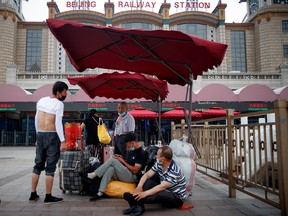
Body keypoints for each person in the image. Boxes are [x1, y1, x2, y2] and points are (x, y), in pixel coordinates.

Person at [29, 81, 68, 204]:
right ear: (58, 92)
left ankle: (33, 194)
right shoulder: (59, 104)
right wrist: (62, 141)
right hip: (52, 136)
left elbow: (36, 119)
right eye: (65, 91)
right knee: (50, 167)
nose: (66, 94)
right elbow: (57, 123)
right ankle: (48, 196)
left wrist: (37, 136)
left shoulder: (41, 101)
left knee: (37, 165)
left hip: (40, 134)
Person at [78, 133, 147, 201]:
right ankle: (100, 192)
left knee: (112, 160)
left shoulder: (141, 153)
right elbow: (130, 162)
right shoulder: (133, 150)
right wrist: (122, 158)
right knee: (110, 169)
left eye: (128, 146)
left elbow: (135, 170)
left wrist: (122, 161)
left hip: (132, 176)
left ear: (132, 143)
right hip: (126, 172)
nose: (127, 148)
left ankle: (93, 175)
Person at [122, 146, 187, 216]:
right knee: (148, 182)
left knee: (161, 194)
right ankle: (138, 207)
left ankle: (134, 200)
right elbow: (147, 175)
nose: (156, 156)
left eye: (157, 155)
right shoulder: (160, 163)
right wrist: (139, 186)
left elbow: (161, 187)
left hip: (176, 198)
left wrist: (145, 193)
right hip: (164, 189)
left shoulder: (175, 171)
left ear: (163, 159)